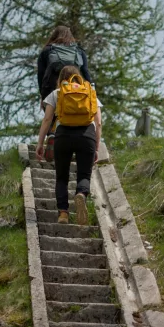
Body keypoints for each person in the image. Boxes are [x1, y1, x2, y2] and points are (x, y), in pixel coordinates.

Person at [36, 65, 101, 225]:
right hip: (87, 135)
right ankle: (81, 193)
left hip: (63, 135)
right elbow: (98, 123)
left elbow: (46, 120)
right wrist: (97, 147)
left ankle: (63, 213)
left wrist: (40, 143)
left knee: (62, 177)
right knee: (84, 175)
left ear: (60, 80)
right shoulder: (89, 91)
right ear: (78, 76)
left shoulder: (57, 93)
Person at [37, 25, 92, 103]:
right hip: (76, 90)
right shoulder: (79, 50)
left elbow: (41, 74)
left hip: (52, 90)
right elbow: (85, 71)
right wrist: (92, 91)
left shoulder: (47, 50)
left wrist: (43, 96)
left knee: (52, 114)